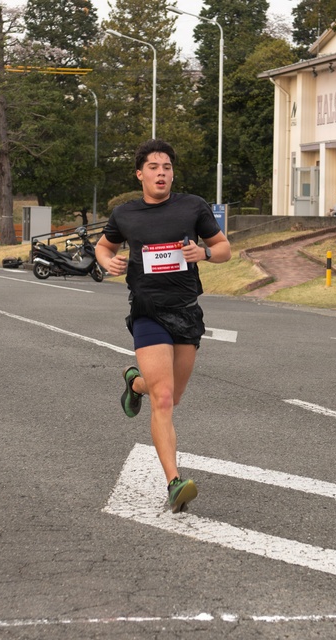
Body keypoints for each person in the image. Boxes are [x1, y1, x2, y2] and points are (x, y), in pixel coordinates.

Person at [95, 139, 231, 513]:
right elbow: (103, 246)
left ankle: (134, 382)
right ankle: (174, 482)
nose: (161, 173)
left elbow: (223, 248)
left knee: (170, 396)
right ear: (140, 173)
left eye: (167, 167)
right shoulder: (126, 214)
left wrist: (203, 252)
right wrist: (108, 261)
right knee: (165, 399)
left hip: (186, 311)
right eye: (153, 167)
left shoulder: (193, 207)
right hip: (147, 311)